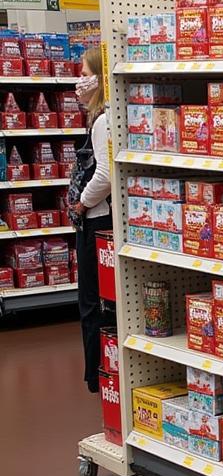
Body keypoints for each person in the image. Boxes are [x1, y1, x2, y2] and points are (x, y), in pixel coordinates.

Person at [69, 47, 114, 393]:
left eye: (84, 73)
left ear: (98, 77)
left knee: (92, 301)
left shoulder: (103, 121)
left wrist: (81, 205)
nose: (79, 81)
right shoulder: (98, 118)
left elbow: (104, 175)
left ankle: (97, 374)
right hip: (95, 218)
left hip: (96, 220)